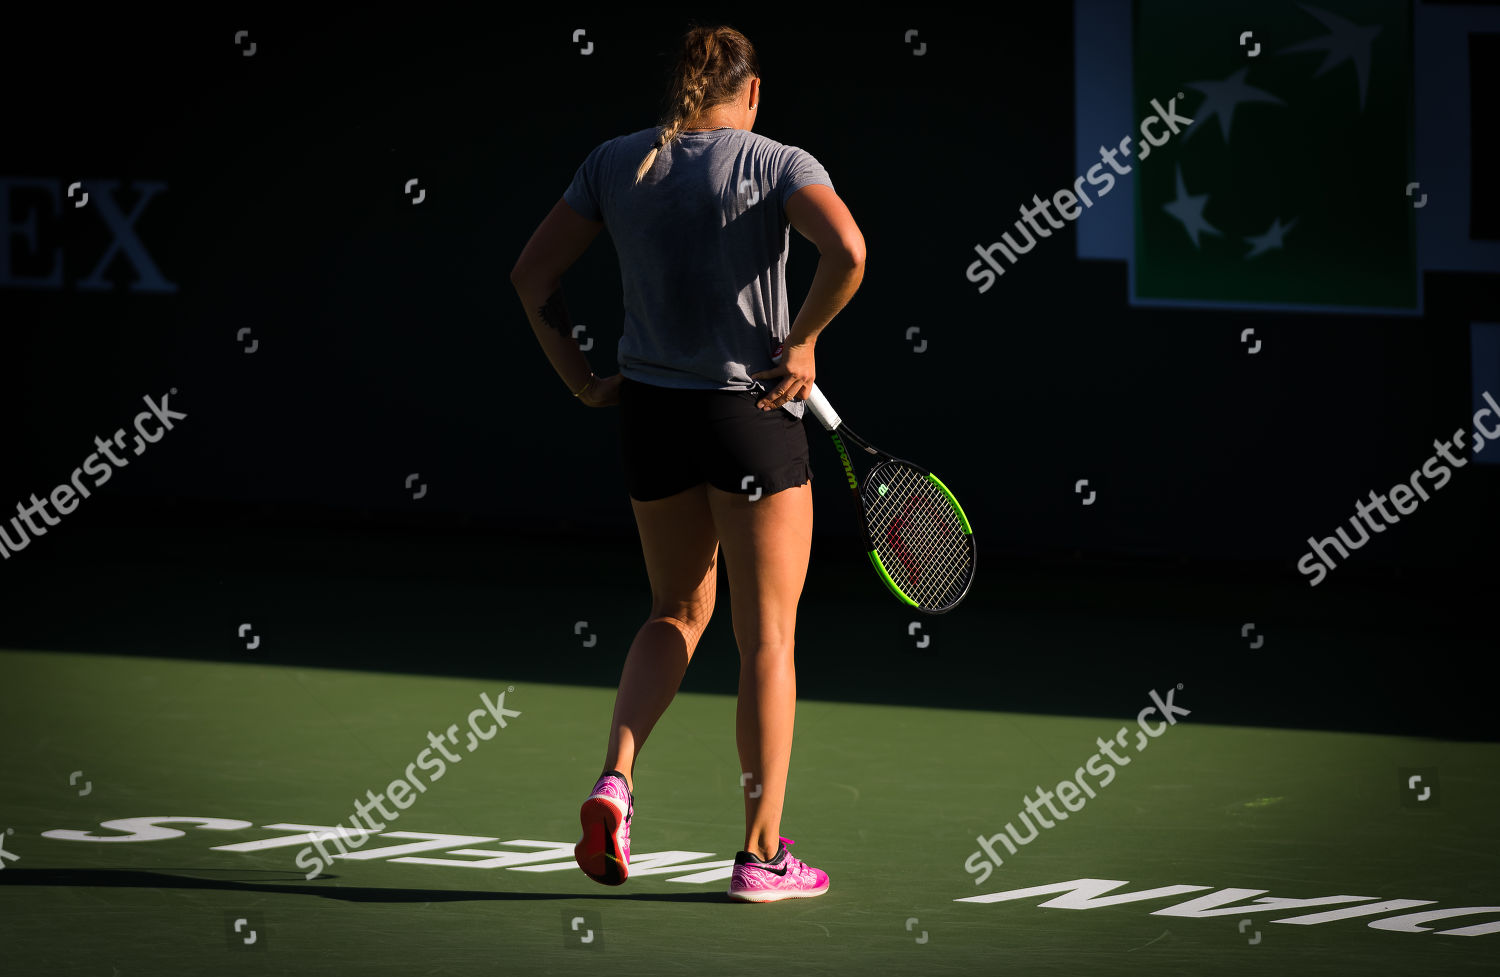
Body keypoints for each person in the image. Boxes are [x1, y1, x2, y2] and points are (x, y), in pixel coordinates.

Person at [509, 23, 865, 903]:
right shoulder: (781, 161)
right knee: (766, 638)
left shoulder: (615, 161)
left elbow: (531, 276)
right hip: (751, 421)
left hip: (653, 419)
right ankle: (760, 854)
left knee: (673, 610)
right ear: (750, 94)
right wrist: (807, 340)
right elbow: (849, 251)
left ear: (681, 90)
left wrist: (585, 382)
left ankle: (615, 779)